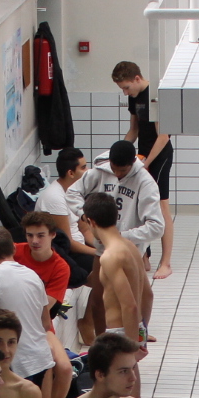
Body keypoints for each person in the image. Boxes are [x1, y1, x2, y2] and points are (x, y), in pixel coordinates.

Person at [79, 198, 168, 398]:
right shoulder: (130, 247)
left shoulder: (110, 257)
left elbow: (129, 304)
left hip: (118, 338)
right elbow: (148, 296)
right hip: (126, 335)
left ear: (91, 222)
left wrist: (130, 347)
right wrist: (141, 334)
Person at [76, 141, 165, 336]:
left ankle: (137, 336)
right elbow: (73, 193)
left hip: (128, 248)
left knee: (140, 298)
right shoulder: (100, 171)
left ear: (132, 163)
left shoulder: (145, 182)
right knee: (100, 298)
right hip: (106, 247)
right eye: (114, 169)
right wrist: (83, 214)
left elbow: (157, 227)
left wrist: (121, 237)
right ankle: (104, 338)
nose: (117, 174)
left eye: (122, 171)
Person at [0, 226, 57, 398]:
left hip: (14, 362)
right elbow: (45, 322)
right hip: (41, 358)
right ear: (13, 248)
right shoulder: (33, 275)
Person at [112, 62, 175, 281]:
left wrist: (147, 162)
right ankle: (143, 257)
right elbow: (134, 130)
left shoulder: (155, 96)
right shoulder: (134, 97)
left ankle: (166, 263)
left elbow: (164, 136)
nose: (125, 92)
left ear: (137, 79)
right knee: (137, 204)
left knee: (161, 206)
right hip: (142, 157)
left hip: (160, 156)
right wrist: (117, 152)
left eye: (126, 87)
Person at [37, 148, 104, 345]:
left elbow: (84, 229)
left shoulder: (75, 192)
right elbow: (68, 243)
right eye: (83, 167)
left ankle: (100, 322)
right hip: (65, 253)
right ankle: (87, 323)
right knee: (106, 275)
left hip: (77, 248)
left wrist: (104, 246)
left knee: (113, 265)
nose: (88, 170)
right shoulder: (55, 198)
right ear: (70, 173)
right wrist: (98, 252)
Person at [13, 212, 77, 398]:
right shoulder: (15, 251)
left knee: (65, 369)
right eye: (29, 235)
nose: (34, 241)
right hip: (11, 324)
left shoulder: (60, 267)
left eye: (40, 235)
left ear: (52, 235)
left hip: (39, 325)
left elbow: (44, 307)